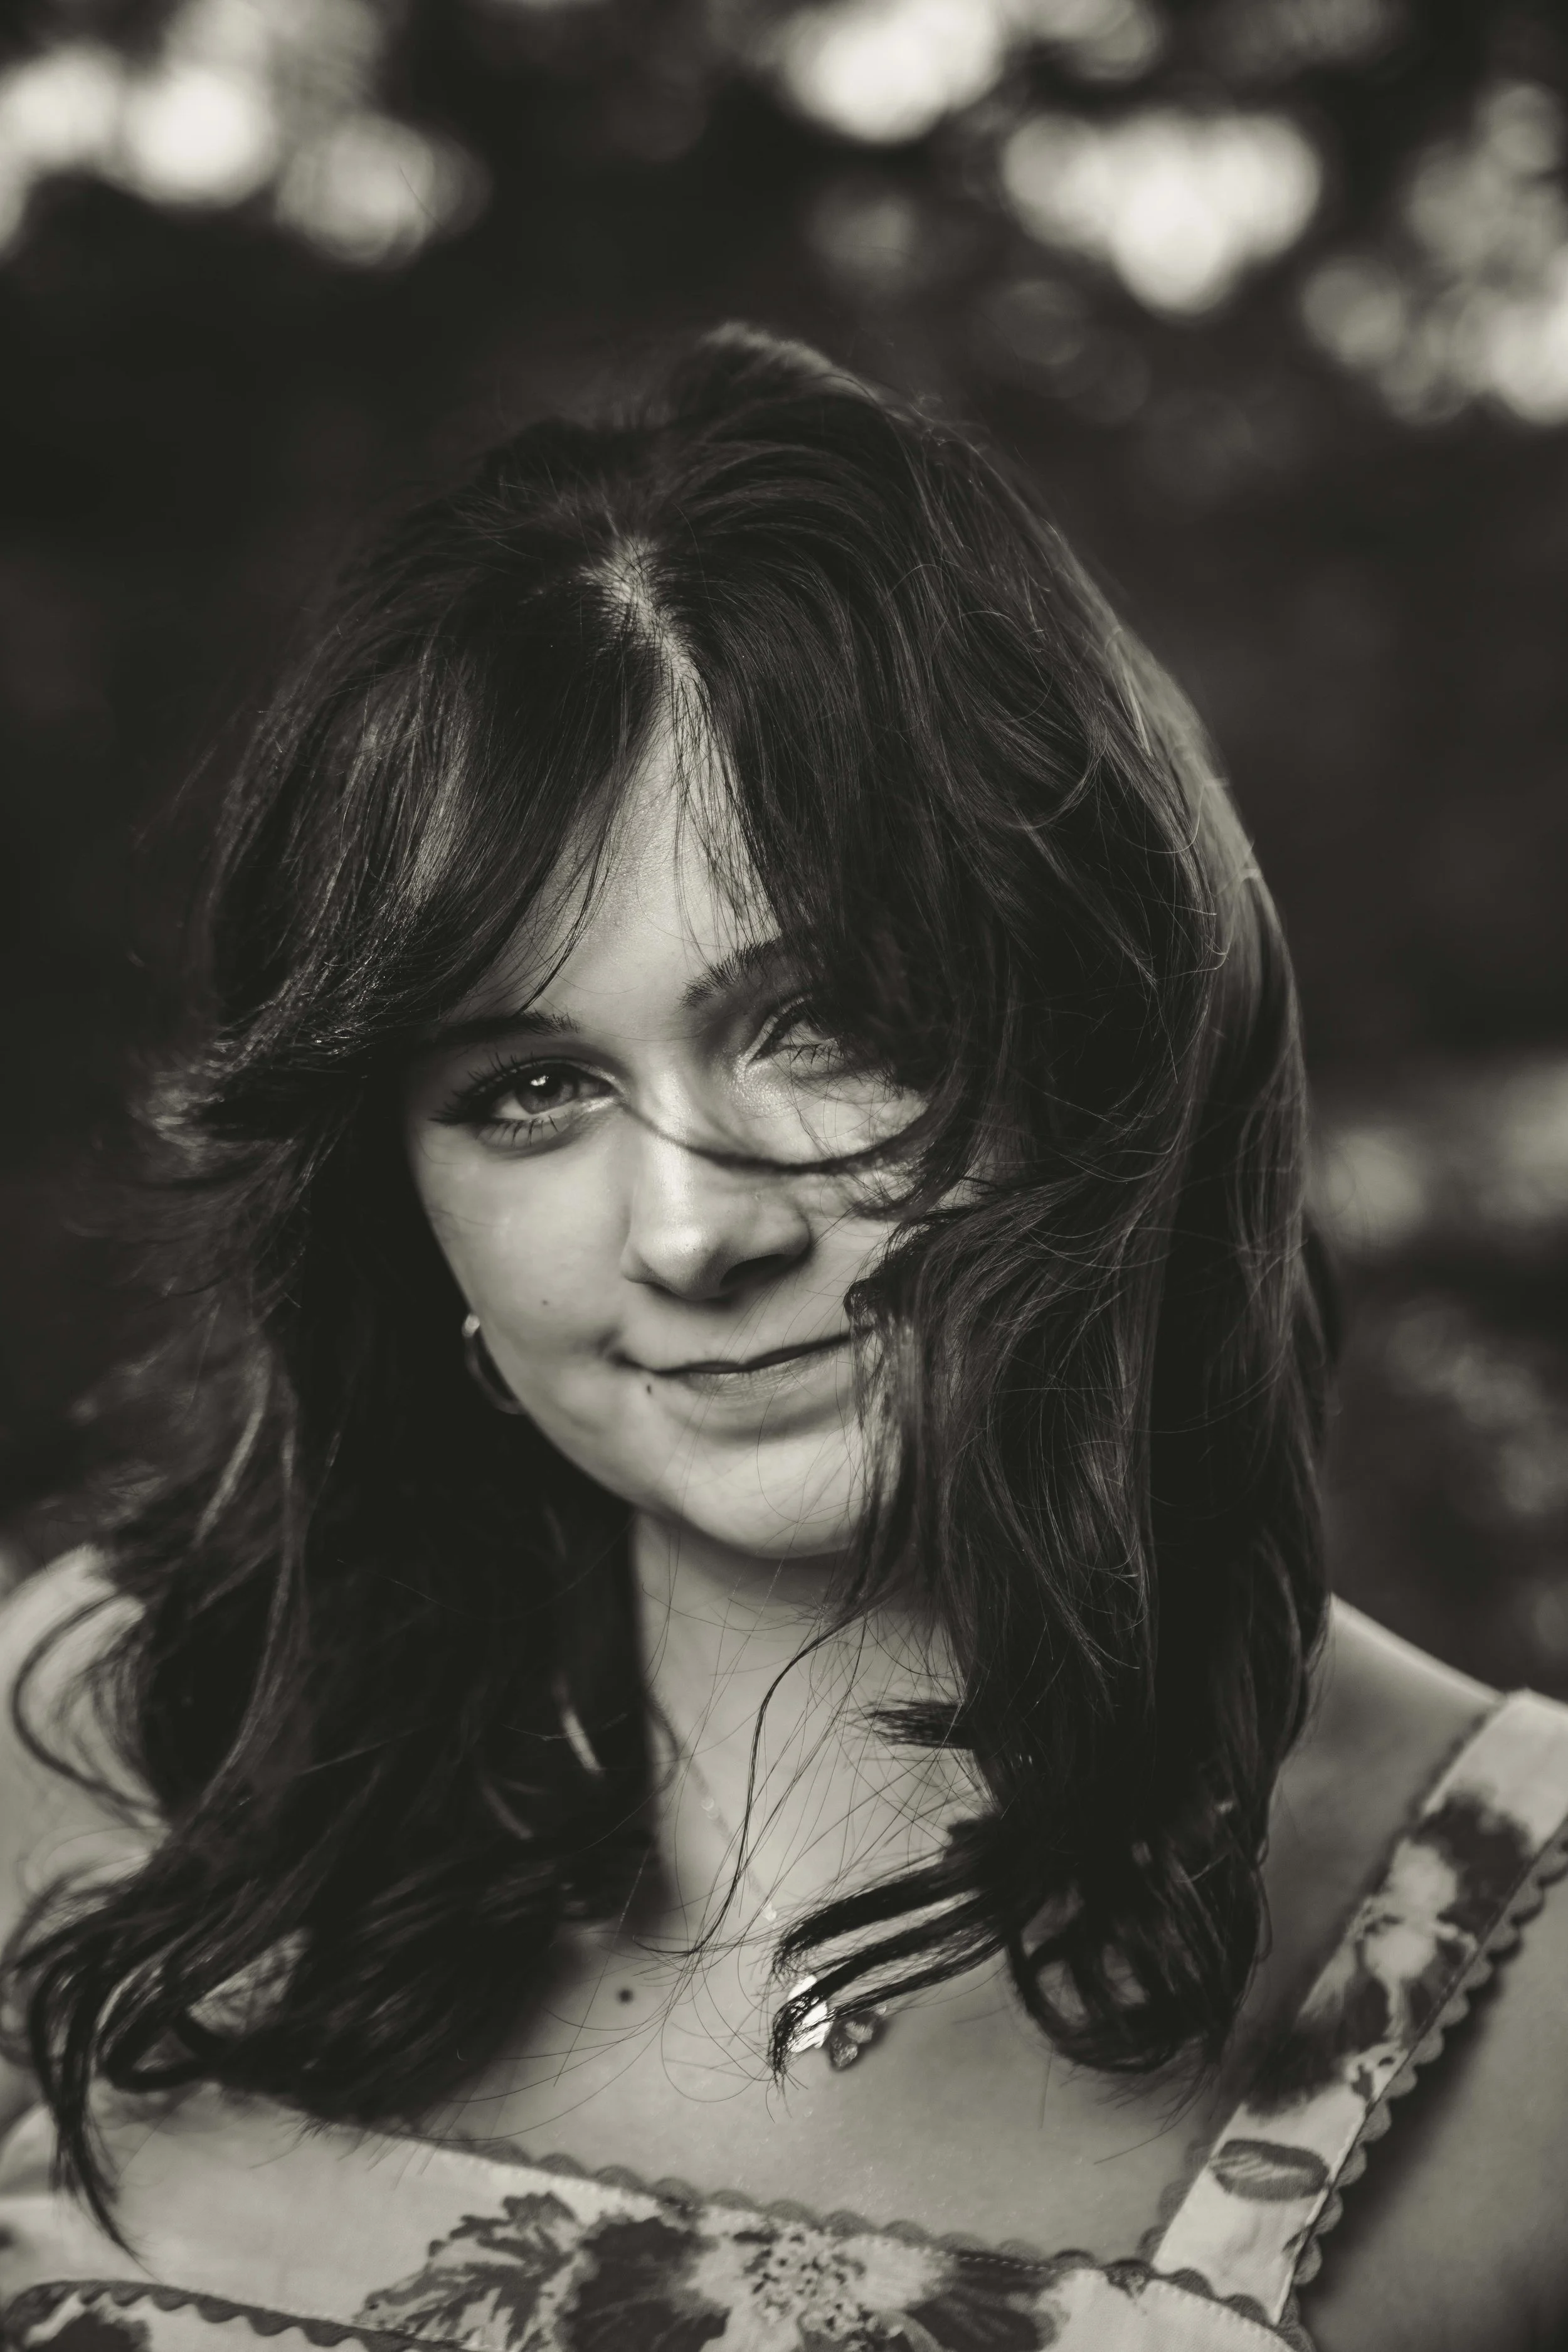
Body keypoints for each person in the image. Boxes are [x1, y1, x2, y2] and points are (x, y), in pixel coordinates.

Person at [0, 326, 1565, 2352]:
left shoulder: (1525, 1971)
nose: (693, 1225)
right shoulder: (93, 1743)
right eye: (527, 1089)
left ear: (1102, 1034)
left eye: (819, 1023)